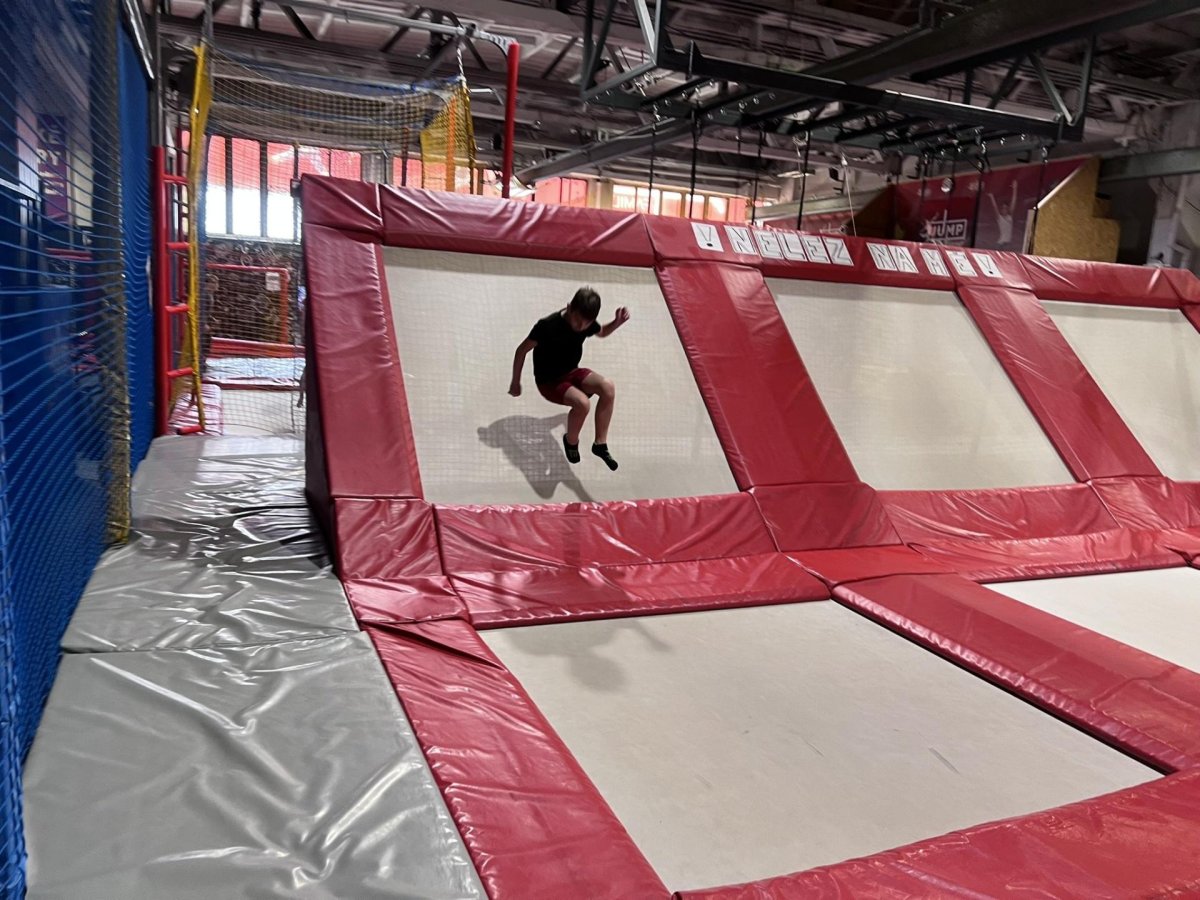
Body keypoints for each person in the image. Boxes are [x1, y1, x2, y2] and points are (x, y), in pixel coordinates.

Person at [509, 286, 630, 470]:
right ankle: (571, 442)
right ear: (569, 308)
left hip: (571, 372)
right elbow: (521, 351)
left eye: (586, 324)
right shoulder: (547, 326)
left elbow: (602, 332)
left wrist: (617, 322)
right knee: (582, 404)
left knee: (608, 387)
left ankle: (600, 444)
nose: (580, 327)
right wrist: (515, 382)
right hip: (549, 382)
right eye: (578, 321)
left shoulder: (586, 321)